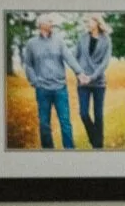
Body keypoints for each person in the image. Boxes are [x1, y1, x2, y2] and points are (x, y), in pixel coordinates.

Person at [22, 13, 79, 149]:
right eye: (49, 21)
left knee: (65, 122)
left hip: (60, 88)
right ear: (42, 25)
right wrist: (34, 81)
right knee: (44, 123)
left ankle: (70, 150)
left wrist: (79, 72)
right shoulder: (31, 44)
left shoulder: (59, 41)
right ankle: (48, 152)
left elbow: (69, 57)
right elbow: (28, 64)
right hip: (42, 90)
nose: (52, 22)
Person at [76, 14, 112, 150]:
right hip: (82, 82)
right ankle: (95, 139)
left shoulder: (106, 39)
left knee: (98, 115)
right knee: (83, 113)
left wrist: (92, 77)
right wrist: (79, 74)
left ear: (97, 22)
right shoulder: (82, 38)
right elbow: (75, 57)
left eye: (89, 21)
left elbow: (105, 62)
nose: (87, 23)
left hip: (98, 83)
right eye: (86, 21)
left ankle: (98, 146)